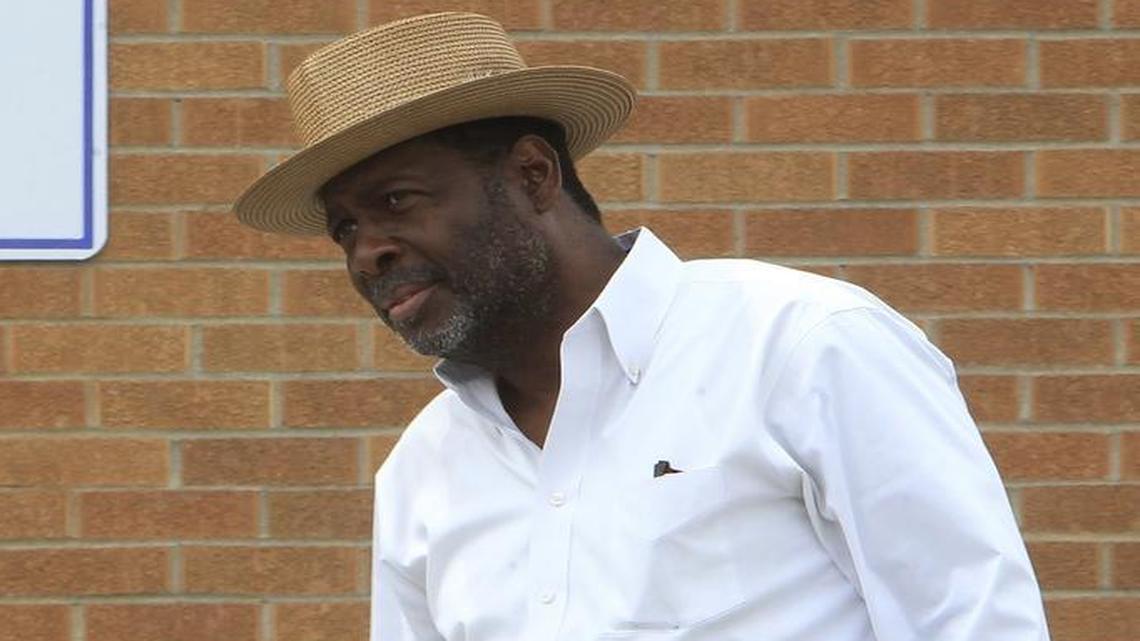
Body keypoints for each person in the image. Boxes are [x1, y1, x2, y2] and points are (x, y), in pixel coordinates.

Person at [234, 12, 1051, 641]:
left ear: (531, 174)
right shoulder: (422, 472)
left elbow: (972, 619)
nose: (368, 253)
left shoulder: (801, 344)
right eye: (344, 230)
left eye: (396, 203)